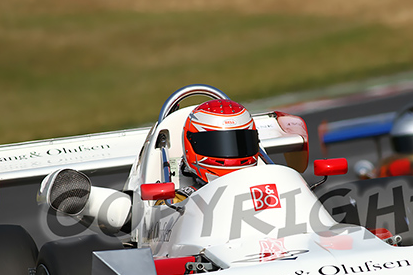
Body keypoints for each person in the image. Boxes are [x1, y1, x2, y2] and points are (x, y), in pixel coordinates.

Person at [38, 99, 260, 234]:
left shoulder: (271, 182)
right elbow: (141, 217)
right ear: (193, 146)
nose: (232, 155)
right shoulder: (177, 198)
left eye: (241, 143)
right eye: (219, 145)